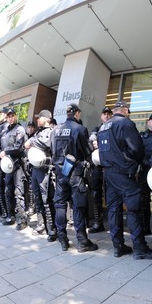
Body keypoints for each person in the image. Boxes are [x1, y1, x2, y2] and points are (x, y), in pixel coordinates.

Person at [97, 100, 152, 259]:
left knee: (114, 209)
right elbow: (137, 148)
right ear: (124, 110)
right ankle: (140, 248)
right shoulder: (125, 123)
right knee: (134, 208)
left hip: (109, 173)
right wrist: (136, 162)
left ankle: (118, 246)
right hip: (124, 173)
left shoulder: (104, 127)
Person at [50, 103, 98, 252]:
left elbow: (52, 151)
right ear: (77, 113)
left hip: (59, 174)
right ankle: (82, 241)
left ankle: (62, 238)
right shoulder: (80, 129)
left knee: (60, 205)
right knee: (78, 206)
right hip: (75, 174)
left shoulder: (55, 130)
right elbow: (87, 152)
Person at [24, 110, 57, 241]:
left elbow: (45, 144)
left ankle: (52, 228)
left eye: (39, 118)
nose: (37, 120)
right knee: (37, 197)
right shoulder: (39, 132)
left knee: (47, 199)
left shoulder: (51, 131)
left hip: (45, 170)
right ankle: (41, 224)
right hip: (36, 170)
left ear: (46, 119)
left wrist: (32, 142)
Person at [0, 108, 27, 228]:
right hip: (8, 166)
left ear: (15, 116)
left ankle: (22, 220)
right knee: (7, 191)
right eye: (8, 116)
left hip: (18, 165)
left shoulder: (19, 129)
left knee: (18, 192)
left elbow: (18, 147)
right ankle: (11, 216)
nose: (10, 118)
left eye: (12, 116)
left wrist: (5, 151)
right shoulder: (5, 131)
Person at [87, 106, 113, 233]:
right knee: (96, 193)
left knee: (112, 194)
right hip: (97, 166)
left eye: (109, 114)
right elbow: (91, 139)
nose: (107, 116)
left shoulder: (114, 128)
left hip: (111, 166)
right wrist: (93, 141)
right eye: (105, 114)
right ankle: (98, 222)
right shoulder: (96, 129)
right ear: (101, 116)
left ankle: (114, 222)